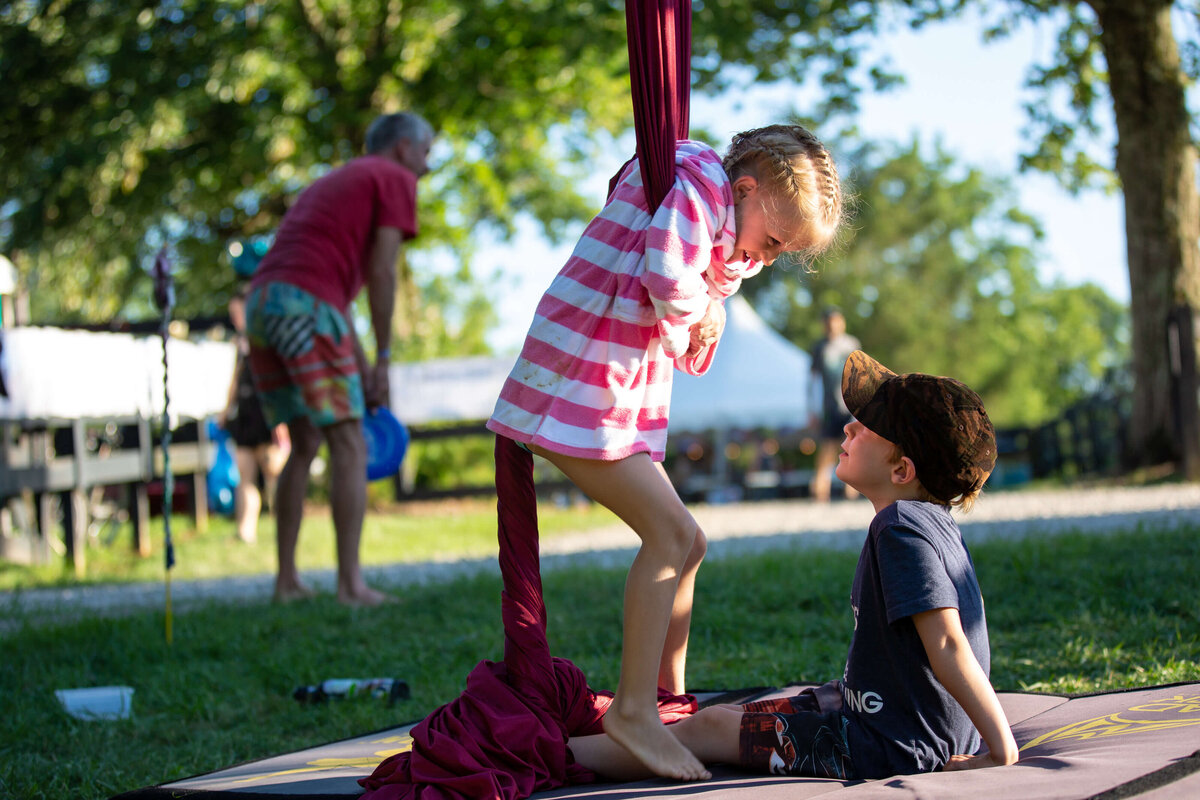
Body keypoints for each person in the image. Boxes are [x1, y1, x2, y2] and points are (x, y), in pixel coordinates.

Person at [486, 125, 845, 781]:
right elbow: (664, 273)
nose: (765, 260)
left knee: (691, 541)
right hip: (576, 387)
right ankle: (634, 713)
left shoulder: (703, 204)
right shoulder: (698, 185)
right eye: (771, 242)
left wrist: (715, 296)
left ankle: (663, 700)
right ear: (745, 189)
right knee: (669, 534)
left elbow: (690, 282)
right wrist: (705, 305)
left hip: (600, 393)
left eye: (781, 254)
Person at [568, 349, 1019, 781]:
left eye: (865, 428)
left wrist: (1000, 747)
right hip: (892, 720)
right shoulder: (930, 523)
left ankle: (549, 758)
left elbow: (948, 642)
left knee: (709, 730)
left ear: (902, 471)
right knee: (735, 716)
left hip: (890, 746)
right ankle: (582, 743)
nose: (847, 428)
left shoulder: (900, 528)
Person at [245, 111, 433, 606]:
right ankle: (351, 586)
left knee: (304, 438)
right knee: (348, 442)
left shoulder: (339, 181)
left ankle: (286, 582)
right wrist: (387, 356)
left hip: (265, 304)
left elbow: (332, 291)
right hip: (307, 304)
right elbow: (383, 272)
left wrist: (367, 364)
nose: (427, 166)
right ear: (402, 148)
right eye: (426, 152)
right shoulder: (393, 177)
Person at [219, 284, 289, 545]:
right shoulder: (240, 344)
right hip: (246, 416)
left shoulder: (268, 338)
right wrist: (226, 411)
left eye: (239, 313)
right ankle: (245, 531)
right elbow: (235, 381)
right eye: (233, 314)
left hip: (268, 414)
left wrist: (281, 418)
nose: (236, 318)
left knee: (275, 474)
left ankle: (284, 527)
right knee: (244, 476)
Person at [808, 306, 860, 502]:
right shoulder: (819, 347)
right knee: (827, 449)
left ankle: (852, 490)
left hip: (848, 405)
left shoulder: (851, 344)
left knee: (852, 448)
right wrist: (812, 409)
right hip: (828, 406)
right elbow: (812, 381)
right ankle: (821, 490)